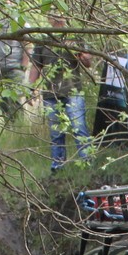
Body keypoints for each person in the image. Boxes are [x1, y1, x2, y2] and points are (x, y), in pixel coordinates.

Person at [30, 16, 91, 170]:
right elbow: (36, 66)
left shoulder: (74, 35)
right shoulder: (42, 39)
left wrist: (80, 54)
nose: (56, 19)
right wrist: (30, 88)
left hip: (73, 91)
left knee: (79, 127)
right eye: (53, 16)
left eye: (59, 16)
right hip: (51, 94)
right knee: (56, 133)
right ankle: (57, 166)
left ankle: (87, 163)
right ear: (48, 18)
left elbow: (88, 62)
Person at [0, 26, 29, 125]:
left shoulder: (21, 24)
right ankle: (8, 126)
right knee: (2, 100)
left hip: (15, 68)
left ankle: (19, 126)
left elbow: (28, 46)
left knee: (15, 98)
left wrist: (23, 66)